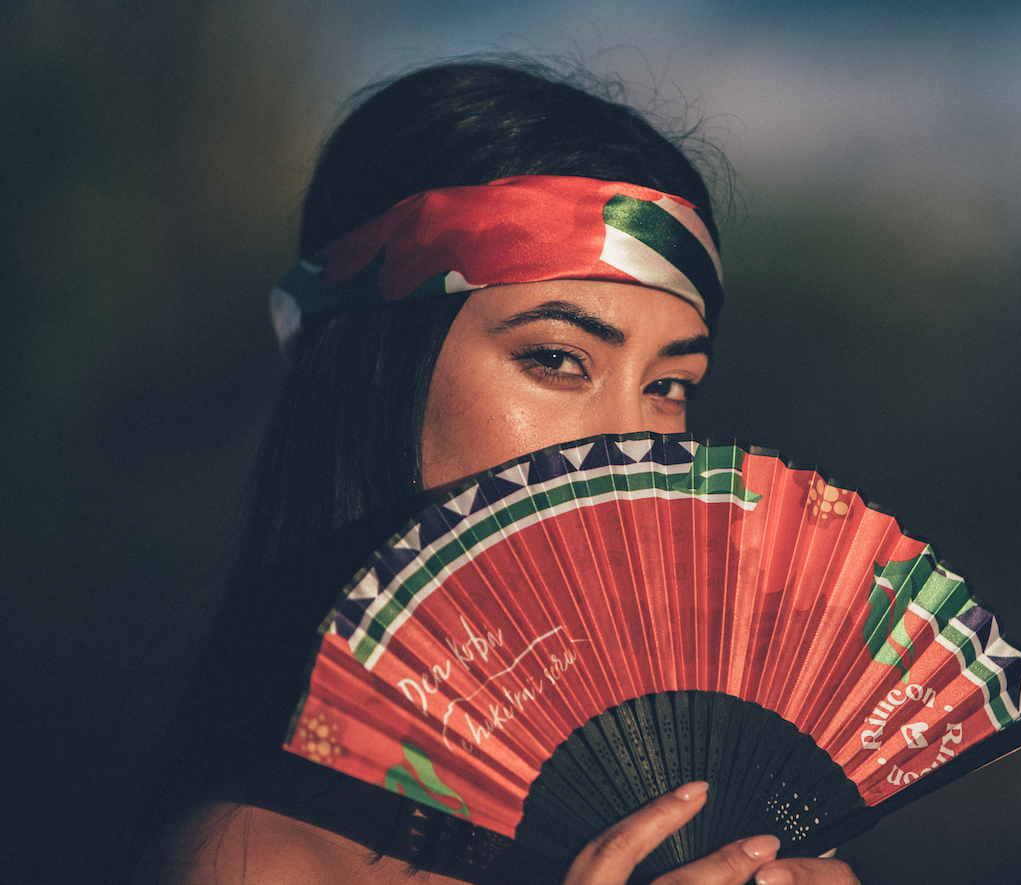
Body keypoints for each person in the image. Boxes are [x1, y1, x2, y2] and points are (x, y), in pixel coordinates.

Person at [125, 61, 860, 885]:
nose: (628, 448)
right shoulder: (257, 860)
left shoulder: (725, 817)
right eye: (555, 358)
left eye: (668, 386)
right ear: (378, 374)